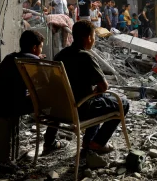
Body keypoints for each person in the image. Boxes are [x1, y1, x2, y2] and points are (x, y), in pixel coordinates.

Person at [49, 20, 130, 153]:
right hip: (80, 110)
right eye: (93, 37)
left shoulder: (60, 55)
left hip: (60, 110)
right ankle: (97, 143)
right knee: (123, 103)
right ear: (87, 38)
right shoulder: (86, 57)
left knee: (96, 99)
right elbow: (104, 86)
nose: (94, 41)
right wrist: (98, 90)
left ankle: (86, 142)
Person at [0, 30, 68, 154]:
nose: (41, 50)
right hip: (10, 107)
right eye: (40, 47)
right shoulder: (34, 61)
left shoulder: (10, 57)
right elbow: (47, 86)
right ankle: (50, 143)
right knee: (57, 100)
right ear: (34, 48)